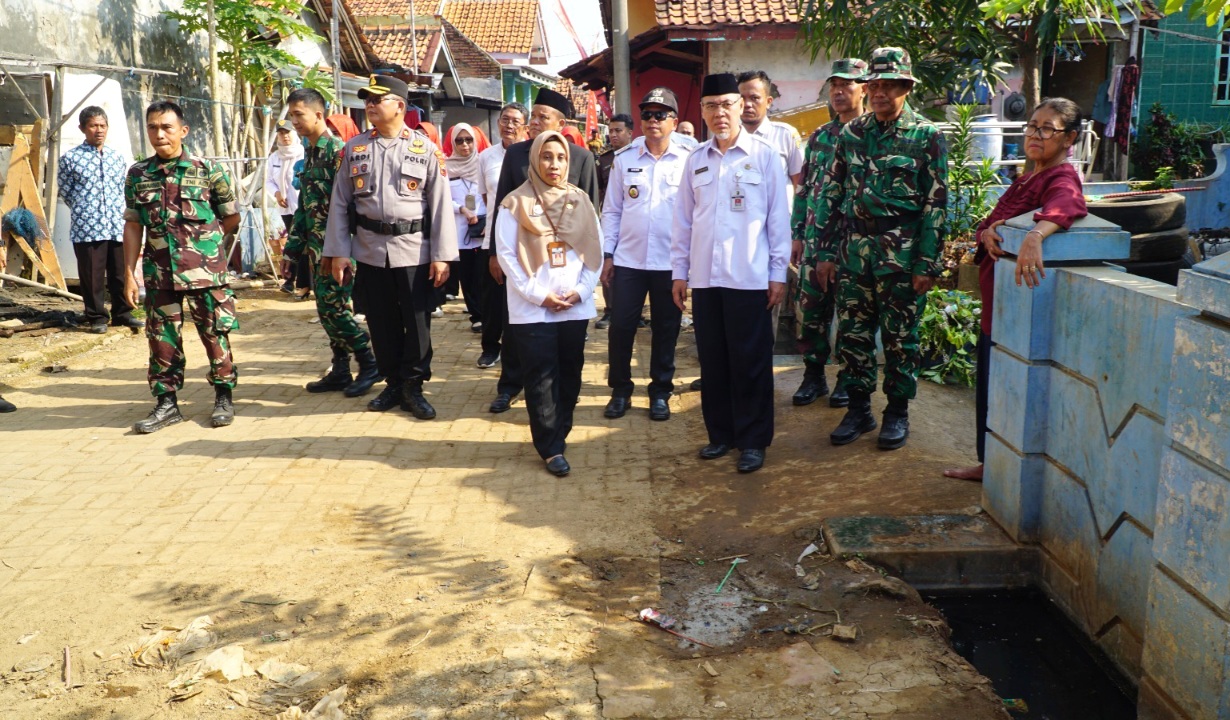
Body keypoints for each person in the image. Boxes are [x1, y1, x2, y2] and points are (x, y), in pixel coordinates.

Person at [811, 47, 949, 450]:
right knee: (852, 335)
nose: (881, 93)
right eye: (875, 85)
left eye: (890, 86)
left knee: (900, 339)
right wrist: (824, 252)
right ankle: (858, 409)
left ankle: (896, 413)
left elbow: (936, 202)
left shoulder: (927, 136)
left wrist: (927, 262)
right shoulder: (852, 134)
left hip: (902, 256)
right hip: (855, 251)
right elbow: (831, 196)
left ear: (906, 87)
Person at [943, 98, 1088, 482]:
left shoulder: (1061, 177)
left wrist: (1035, 235)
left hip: (1020, 310)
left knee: (1007, 388)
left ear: (1069, 137)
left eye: (1047, 129)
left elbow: (1069, 205)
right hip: (998, 304)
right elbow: (988, 225)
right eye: (1032, 126)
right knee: (990, 385)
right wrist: (991, 231)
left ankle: (998, 467)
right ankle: (987, 462)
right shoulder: (1026, 177)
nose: (1035, 135)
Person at [670, 73, 791, 474]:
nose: (719, 113)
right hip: (706, 279)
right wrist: (679, 272)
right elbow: (683, 222)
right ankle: (720, 435)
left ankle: (753, 441)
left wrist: (778, 274)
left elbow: (778, 220)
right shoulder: (696, 161)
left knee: (751, 362)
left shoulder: (765, 156)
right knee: (714, 360)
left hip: (750, 277)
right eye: (710, 106)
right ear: (701, 111)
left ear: (741, 106)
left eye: (726, 104)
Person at [323, 75, 459, 420]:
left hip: (414, 249)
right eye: (367, 99)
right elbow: (339, 204)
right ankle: (392, 383)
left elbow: (441, 205)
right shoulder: (354, 149)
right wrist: (339, 251)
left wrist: (442, 256)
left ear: (399, 105)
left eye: (377, 99)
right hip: (369, 249)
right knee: (380, 321)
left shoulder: (425, 149)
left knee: (416, 323)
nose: (369, 105)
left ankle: (414, 385)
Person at [122, 100, 241, 433]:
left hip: (206, 273)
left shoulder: (208, 170)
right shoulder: (138, 174)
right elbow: (133, 225)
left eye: (166, 127)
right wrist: (128, 274)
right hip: (159, 273)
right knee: (161, 340)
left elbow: (230, 214)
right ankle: (166, 404)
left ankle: (223, 396)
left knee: (214, 334)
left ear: (183, 131)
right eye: (152, 128)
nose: (159, 134)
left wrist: (208, 243)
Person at [485, 87, 601, 415]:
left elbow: (590, 205)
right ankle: (509, 386)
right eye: (532, 115)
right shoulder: (517, 153)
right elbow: (502, 203)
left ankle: (560, 396)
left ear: (561, 122)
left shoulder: (580, 157)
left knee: (563, 342)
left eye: (542, 116)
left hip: (567, 260)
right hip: (525, 255)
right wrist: (495, 251)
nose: (533, 122)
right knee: (516, 324)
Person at [495, 130, 601, 477]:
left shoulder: (581, 200)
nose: (554, 165)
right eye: (546, 157)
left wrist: (582, 292)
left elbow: (594, 254)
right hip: (533, 308)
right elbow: (508, 257)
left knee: (570, 374)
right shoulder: (515, 203)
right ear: (534, 160)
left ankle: (560, 433)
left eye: (560, 158)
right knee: (541, 378)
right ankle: (551, 448)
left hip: (573, 305)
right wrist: (539, 295)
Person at [281, 87, 381, 398]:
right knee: (326, 308)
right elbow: (304, 208)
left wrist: (341, 250)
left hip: (337, 250)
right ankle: (340, 368)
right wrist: (292, 251)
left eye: (299, 114)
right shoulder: (309, 154)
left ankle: (369, 363)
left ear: (319, 115)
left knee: (334, 309)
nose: (294, 121)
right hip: (315, 247)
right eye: (291, 115)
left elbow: (351, 206)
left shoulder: (340, 153)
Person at [600, 88, 690, 422]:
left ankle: (660, 392)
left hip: (670, 263)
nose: (653, 120)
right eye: (648, 114)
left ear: (674, 122)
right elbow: (611, 212)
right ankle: (620, 391)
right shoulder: (625, 160)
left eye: (660, 114)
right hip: (629, 261)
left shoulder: (689, 160)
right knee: (621, 327)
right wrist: (608, 254)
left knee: (667, 329)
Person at [792, 59, 867, 409]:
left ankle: (847, 379)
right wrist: (797, 233)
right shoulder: (820, 136)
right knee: (810, 312)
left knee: (851, 316)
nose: (839, 91)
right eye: (834, 85)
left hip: (853, 244)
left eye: (847, 85)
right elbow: (805, 188)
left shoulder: (871, 134)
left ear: (864, 88)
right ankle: (813, 375)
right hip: (814, 240)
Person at [58, 106, 142, 334]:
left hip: (116, 225)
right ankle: (96, 317)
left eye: (102, 126)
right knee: (92, 276)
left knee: (119, 272)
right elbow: (65, 192)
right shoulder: (70, 159)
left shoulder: (117, 158)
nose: (99, 130)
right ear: (83, 128)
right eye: (93, 126)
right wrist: (86, 209)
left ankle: (123, 313)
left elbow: (122, 190)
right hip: (88, 228)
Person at [476, 102, 529, 369]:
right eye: (504, 120)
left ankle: (517, 350)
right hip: (494, 238)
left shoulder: (532, 154)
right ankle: (490, 348)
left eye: (515, 121)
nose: (508, 125)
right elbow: (488, 198)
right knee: (493, 299)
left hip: (528, 240)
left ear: (525, 127)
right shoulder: (486, 156)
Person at [445, 123, 488, 333]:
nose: (465, 145)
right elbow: (443, 197)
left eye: (469, 140)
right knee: (467, 275)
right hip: (460, 229)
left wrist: (483, 216)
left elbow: (492, 193)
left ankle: (487, 313)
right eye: (459, 140)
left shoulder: (483, 163)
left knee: (483, 274)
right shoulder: (446, 166)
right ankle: (476, 315)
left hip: (483, 227)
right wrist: (461, 209)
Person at [594, 114, 633, 331]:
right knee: (608, 264)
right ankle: (609, 310)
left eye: (618, 131)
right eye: (611, 131)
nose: (614, 135)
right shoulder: (605, 159)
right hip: (610, 220)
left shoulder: (636, 156)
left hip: (632, 223)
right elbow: (598, 190)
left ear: (630, 133)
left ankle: (633, 312)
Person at [738, 70, 804, 187]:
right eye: (742, 98)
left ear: (768, 102)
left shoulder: (785, 135)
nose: (747, 104)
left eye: (754, 98)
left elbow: (799, 183)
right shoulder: (729, 140)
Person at [267, 119, 309, 298]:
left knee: (303, 244)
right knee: (292, 243)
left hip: (305, 208)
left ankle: (302, 283)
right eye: (281, 133)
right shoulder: (275, 157)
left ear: (295, 134)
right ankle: (290, 281)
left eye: (288, 132)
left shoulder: (303, 154)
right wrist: (276, 193)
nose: (285, 137)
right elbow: (268, 180)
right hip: (286, 208)